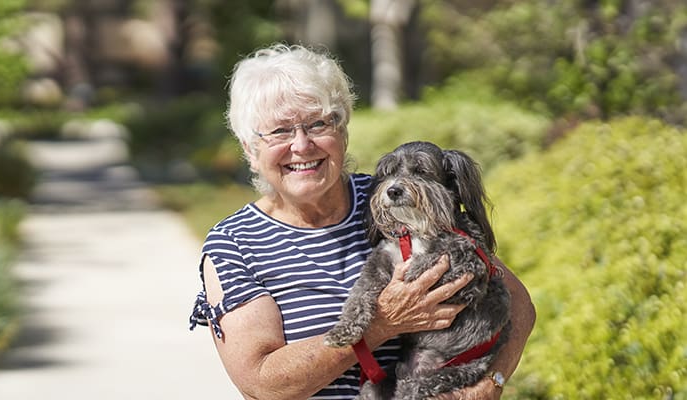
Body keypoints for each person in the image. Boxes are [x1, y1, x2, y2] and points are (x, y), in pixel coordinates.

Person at [189, 43, 536, 400]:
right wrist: (378, 325)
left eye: (318, 123)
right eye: (279, 131)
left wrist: (488, 384)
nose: (302, 145)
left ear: (343, 131)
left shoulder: (396, 199)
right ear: (250, 148)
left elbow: (517, 301)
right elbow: (262, 382)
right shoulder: (235, 244)